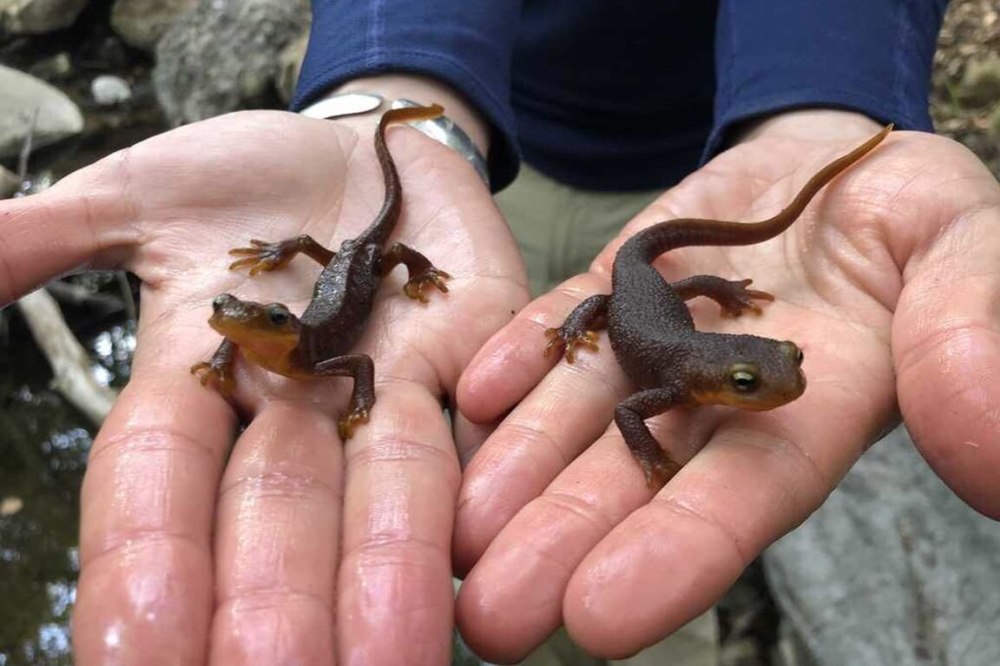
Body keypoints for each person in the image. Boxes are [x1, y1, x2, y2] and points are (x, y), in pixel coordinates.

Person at [2, 1, 998, 664]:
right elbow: (626, 355)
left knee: (628, 562)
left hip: (709, 144)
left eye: (763, 379)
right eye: (756, 381)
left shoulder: (675, 378)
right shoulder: (668, 376)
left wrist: (827, 105)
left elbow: (631, 391)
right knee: (476, 475)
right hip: (490, 163)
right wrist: (393, 81)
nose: (768, 391)